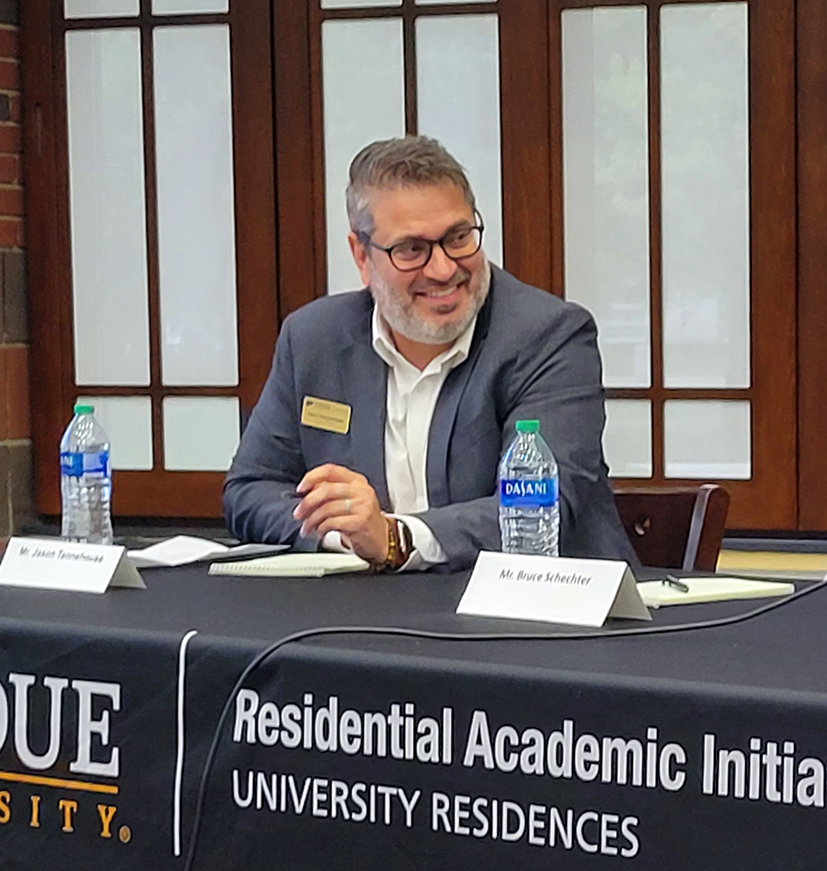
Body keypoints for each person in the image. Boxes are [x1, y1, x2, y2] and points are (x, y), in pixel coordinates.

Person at [224, 135, 636, 571]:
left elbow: (541, 508)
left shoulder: (548, 336)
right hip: (368, 617)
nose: (443, 269)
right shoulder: (314, 339)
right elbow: (251, 489)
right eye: (412, 249)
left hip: (538, 618)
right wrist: (342, 530)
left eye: (459, 237)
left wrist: (395, 538)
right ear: (361, 256)